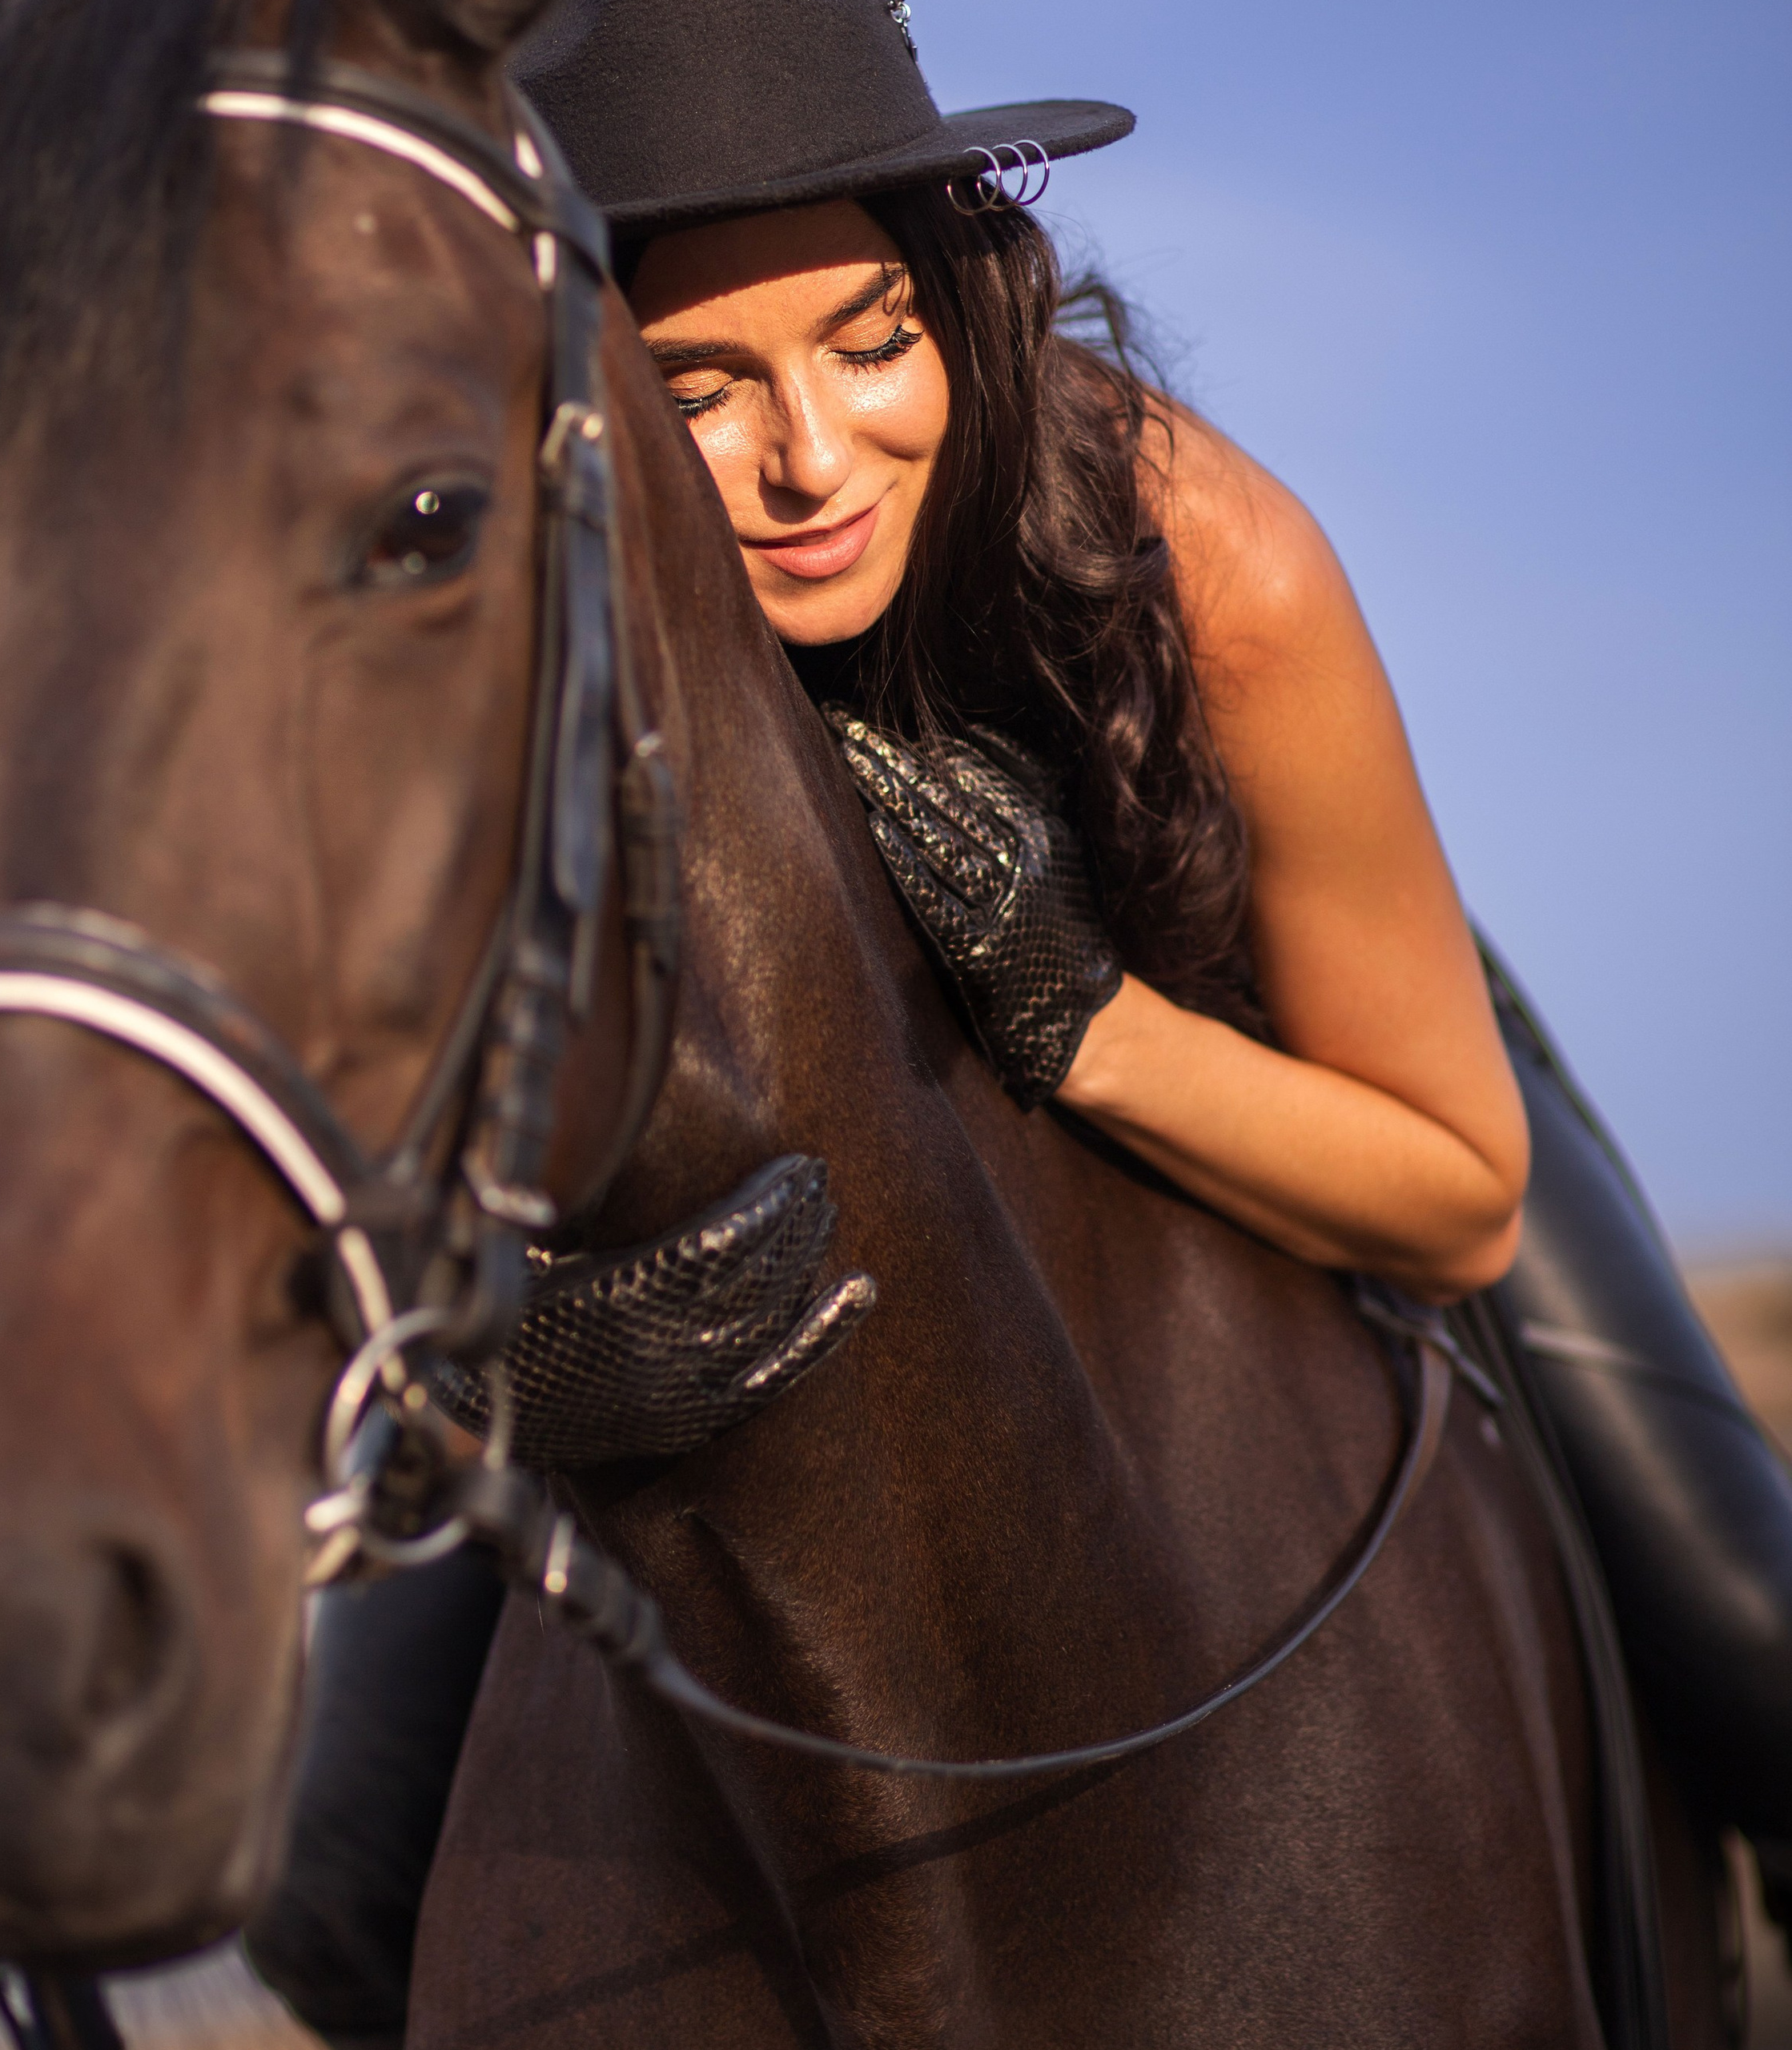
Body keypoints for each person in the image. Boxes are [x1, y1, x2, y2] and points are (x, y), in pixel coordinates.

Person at [249, 4, 1792, 2041]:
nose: (812, 460)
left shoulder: (1198, 551)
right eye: (698, 388)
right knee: (326, 1879)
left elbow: (1455, 1199)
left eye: (869, 339)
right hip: (767, 1272)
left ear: (955, 296)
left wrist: (1077, 1022)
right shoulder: (496, 624)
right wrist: (490, 1334)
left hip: (1309, 1056)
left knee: (1757, 1650)